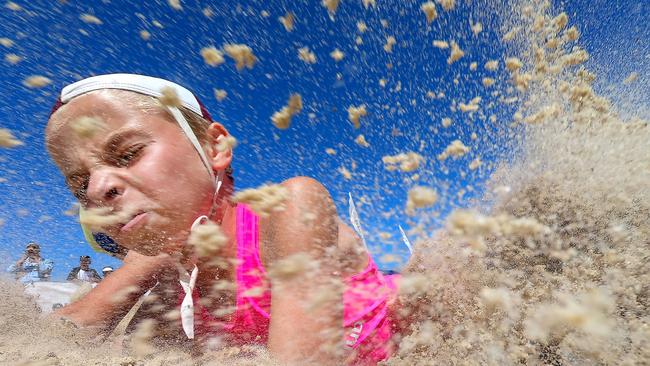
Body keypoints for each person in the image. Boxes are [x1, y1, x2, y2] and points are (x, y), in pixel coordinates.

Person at [45, 74, 402, 365]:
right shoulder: (169, 294)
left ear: (215, 147)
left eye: (128, 154)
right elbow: (59, 338)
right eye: (79, 186)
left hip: (400, 312)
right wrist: (141, 267)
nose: (96, 189)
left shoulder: (288, 209)